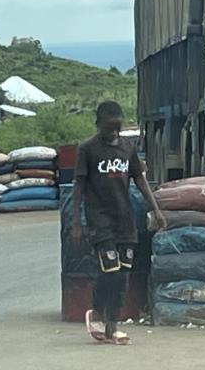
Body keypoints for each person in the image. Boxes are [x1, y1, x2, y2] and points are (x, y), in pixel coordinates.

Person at [71, 101, 166, 345]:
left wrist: (156, 209)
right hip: (100, 220)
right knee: (110, 271)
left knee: (123, 274)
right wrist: (76, 222)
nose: (112, 134)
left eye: (116, 129)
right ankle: (99, 310)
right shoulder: (88, 150)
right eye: (108, 129)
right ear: (98, 125)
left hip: (125, 221)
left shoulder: (127, 147)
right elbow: (79, 187)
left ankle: (113, 323)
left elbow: (140, 180)